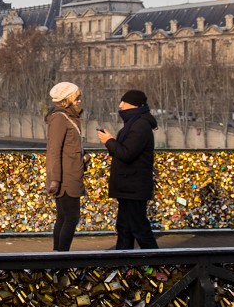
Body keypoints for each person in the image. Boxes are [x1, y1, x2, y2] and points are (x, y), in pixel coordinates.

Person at [96, 89, 158, 250]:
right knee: (125, 228)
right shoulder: (134, 124)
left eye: (123, 102)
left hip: (133, 186)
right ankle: (124, 265)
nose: (120, 105)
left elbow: (127, 153)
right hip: (128, 185)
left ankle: (159, 267)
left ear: (132, 104)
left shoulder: (140, 125)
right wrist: (111, 142)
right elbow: (127, 149)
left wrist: (109, 141)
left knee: (139, 228)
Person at [44, 81, 85, 252]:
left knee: (64, 217)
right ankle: (62, 258)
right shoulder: (60, 118)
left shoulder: (66, 117)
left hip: (70, 173)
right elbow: (54, 150)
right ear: (68, 99)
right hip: (66, 177)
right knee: (71, 217)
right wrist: (55, 179)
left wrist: (83, 156)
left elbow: (68, 148)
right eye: (77, 98)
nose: (79, 101)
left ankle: (58, 257)